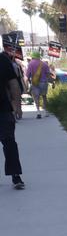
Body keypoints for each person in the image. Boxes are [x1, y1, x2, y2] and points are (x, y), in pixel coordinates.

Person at [0, 37, 26, 188]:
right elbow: (14, 83)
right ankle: (16, 176)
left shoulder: (3, 60)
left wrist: (17, 105)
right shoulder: (3, 60)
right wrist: (17, 106)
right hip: (4, 110)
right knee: (9, 143)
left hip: (3, 109)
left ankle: (16, 175)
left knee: (9, 142)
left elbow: (13, 83)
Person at [26, 52, 50, 118]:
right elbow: (48, 74)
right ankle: (46, 112)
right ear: (39, 57)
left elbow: (27, 74)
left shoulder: (30, 63)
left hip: (35, 82)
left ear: (32, 57)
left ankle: (38, 112)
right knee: (44, 96)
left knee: (36, 97)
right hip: (44, 82)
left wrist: (27, 82)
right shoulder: (44, 64)